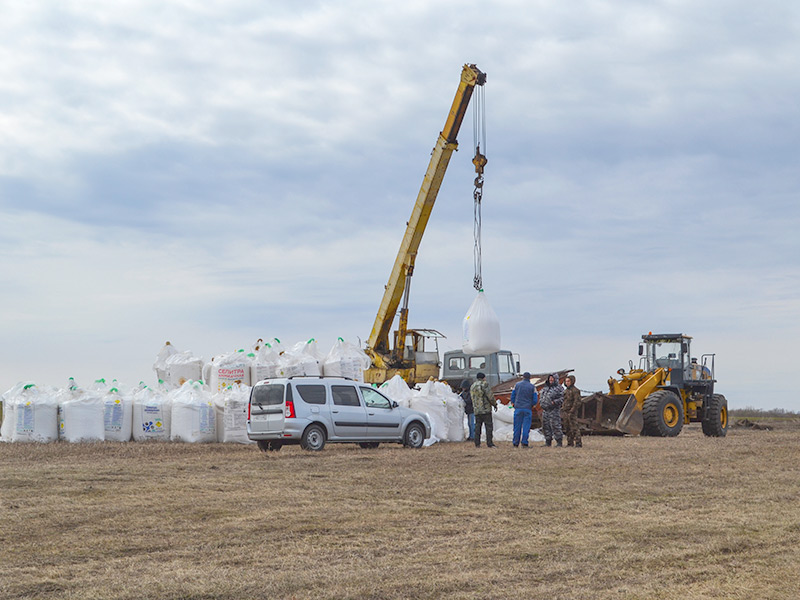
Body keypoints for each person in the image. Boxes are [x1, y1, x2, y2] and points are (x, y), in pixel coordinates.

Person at [510, 372, 538, 447]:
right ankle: (524, 443)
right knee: (526, 426)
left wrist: (514, 403)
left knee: (517, 426)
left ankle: (515, 443)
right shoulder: (532, 387)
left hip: (518, 408)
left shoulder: (517, 385)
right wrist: (531, 405)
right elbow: (535, 399)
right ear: (529, 378)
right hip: (527, 408)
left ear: (523, 377)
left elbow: (512, 396)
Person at [470, 372, 497, 448]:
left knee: (478, 427)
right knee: (488, 427)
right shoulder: (484, 384)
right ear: (483, 378)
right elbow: (490, 396)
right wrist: (494, 404)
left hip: (477, 410)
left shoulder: (473, 386)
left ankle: (477, 443)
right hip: (485, 409)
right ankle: (489, 443)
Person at [539, 373, 564, 447]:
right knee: (545, 426)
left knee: (555, 426)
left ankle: (559, 442)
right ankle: (548, 442)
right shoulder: (545, 388)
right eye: (550, 379)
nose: (551, 380)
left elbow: (562, 398)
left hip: (554, 410)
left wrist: (554, 402)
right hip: (545, 410)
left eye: (552, 379)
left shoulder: (559, 388)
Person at [562, 375, 582, 448]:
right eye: (566, 381)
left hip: (572, 412)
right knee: (567, 428)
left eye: (568, 381)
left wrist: (572, 411)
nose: (567, 383)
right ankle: (570, 442)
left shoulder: (575, 391)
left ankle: (578, 443)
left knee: (574, 427)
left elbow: (577, 402)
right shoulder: (565, 391)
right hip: (565, 412)